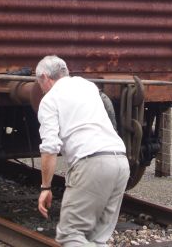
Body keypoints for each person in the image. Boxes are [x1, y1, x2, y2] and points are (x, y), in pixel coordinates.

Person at [35, 55, 129, 246]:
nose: (41, 88)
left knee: (70, 234)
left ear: (45, 77)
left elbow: (50, 148)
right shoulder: (87, 86)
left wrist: (46, 187)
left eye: (39, 82)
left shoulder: (49, 100)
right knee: (97, 238)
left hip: (92, 162)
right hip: (120, 161)